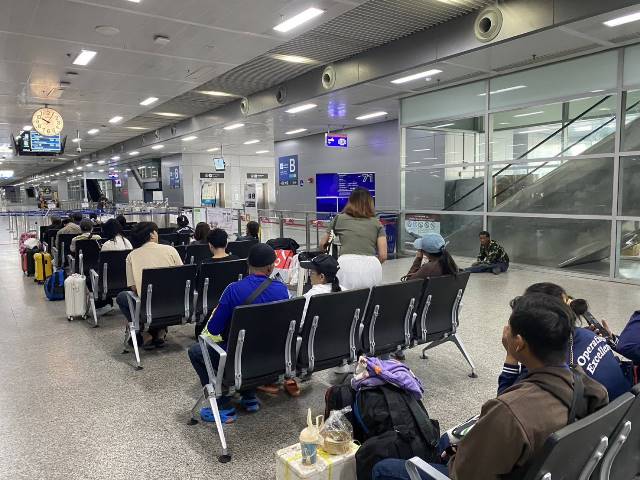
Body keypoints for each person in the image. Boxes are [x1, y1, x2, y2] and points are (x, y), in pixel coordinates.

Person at [372, 293, 609, 480]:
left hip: (475, 470)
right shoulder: (588, 386)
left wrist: (459, 456)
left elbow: (465, 474)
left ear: (519, 343)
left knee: (384, 469)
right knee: (444, 442)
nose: (506, 330)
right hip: (536, 465)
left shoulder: (508, 412)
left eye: (510, 327)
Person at [188, 243, 289, 423]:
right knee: (253, 343)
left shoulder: (233, 289)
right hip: (269, 358)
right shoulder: (282, 290)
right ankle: (249, 396)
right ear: (271, 267)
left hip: (238, 358)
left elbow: (214, 329)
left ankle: (223, 404)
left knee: (196, 351)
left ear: (248, 264)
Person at [499, 283, 631, 401]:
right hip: (624, 409)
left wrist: (511, 355)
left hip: (597, 419)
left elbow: (506, 404)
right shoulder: (587, 334)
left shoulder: (549, 367)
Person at [116, 222, 183, 349]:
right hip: (175, 304)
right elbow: (182, 276)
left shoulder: (131, 256)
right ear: (152, 234)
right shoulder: (171, 250)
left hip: (148, 308)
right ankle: (161, 330)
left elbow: (134, 288)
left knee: (122, 297)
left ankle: (144, 332)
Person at [319, 188, 387, 290]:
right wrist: (370, 266)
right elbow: (383, 255)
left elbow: (324, 243)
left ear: (350, 202)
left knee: (346, 297)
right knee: (369, 297)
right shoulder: (377, 223)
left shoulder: (339, 219)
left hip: (346, 264)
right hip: (372, 266)